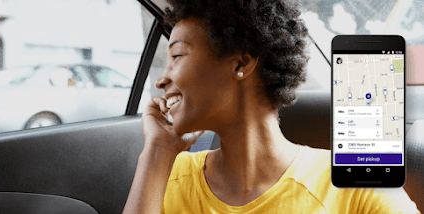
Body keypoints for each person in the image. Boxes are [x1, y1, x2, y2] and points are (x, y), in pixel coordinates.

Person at [123, 0, 420, 213]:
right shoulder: (167, 175)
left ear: (241, 62)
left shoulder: (355, 184)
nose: (162, 79)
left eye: (176, 56)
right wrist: (158, 151)